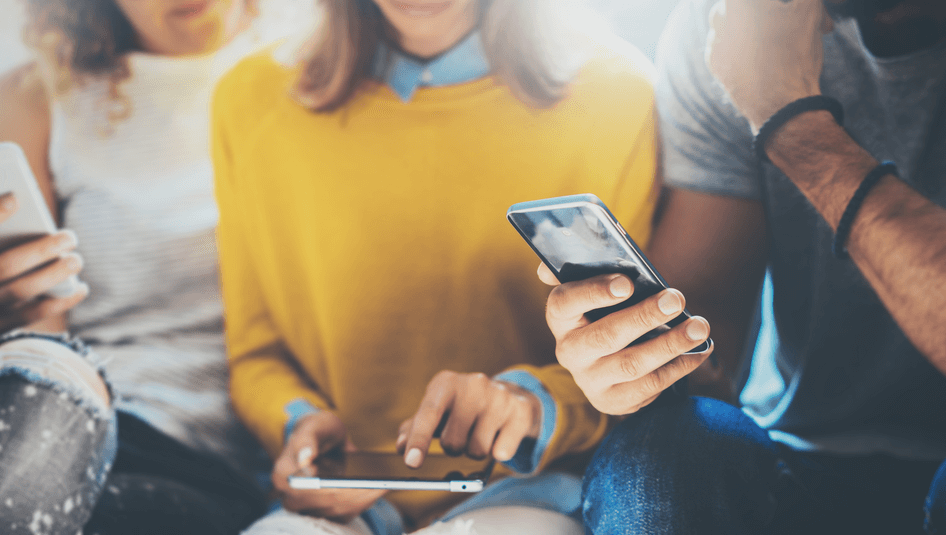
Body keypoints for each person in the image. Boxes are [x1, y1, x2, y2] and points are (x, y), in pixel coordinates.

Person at [537, 0, 946, 533]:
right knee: (662, 454)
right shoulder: (727, 24)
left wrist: (791, 122)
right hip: (805, 455)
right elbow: (710, 333)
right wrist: (637, 362)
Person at [208, 0, 665, 533]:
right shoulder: (249, 100)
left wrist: (529, 404)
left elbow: (638, 355)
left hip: (526, 493)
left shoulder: (618, 95)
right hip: (336, 505)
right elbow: (257, 353)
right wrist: (298, 423)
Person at [0, 1, 310, 533]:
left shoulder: (314, 76)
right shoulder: (34, 96)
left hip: (201, 468)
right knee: (37, 388)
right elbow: (36, 336)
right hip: (52, 411)